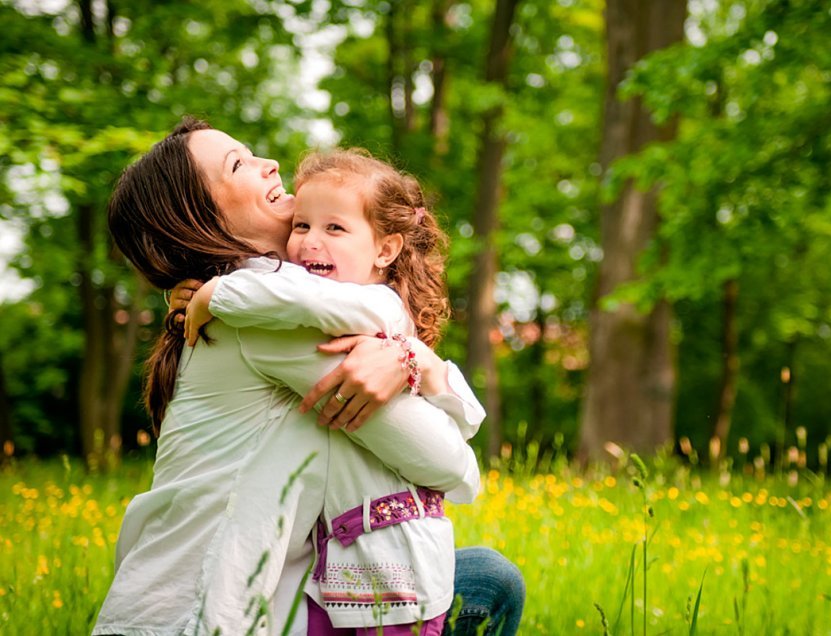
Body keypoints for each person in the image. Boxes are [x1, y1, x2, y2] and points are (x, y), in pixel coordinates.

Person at [93, 118, 523, 636]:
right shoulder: (265, 319)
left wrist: (413, 358)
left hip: (240, 596)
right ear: (200, 219)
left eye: (252, 152)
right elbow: (454, 469)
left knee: (479, 574)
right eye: (238, 165)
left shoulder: (248, 300)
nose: (268, 164)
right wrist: (412, 358)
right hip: (194, 618)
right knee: (490, 580)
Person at [179, 148, 485, 635]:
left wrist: (216, 294)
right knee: (488, 576)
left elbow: (461, 441)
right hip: (338, 568)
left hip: (398, 569)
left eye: (333, 228)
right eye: (301, 226)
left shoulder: (365, 310)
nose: (308, 242)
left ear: (385, 250)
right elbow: (287, 294)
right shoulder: (305, 310)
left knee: (489, 578)